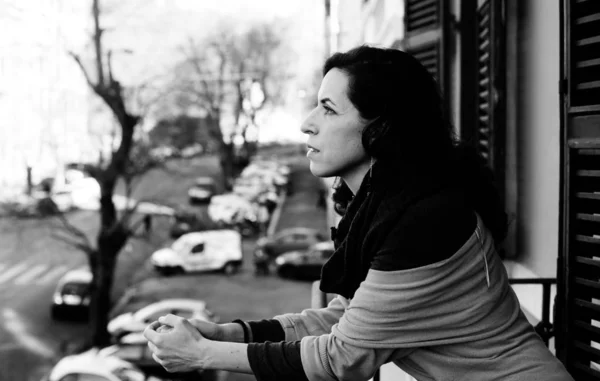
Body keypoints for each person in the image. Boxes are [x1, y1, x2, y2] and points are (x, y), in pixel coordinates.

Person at [144, 45, 574, 381]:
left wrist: (203, 354)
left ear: (382, 127)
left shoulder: (428, 221)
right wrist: (227, 333)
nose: (306, 123)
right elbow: (345, 320)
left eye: (328, 109)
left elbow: (342, 358)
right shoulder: (388, 209)